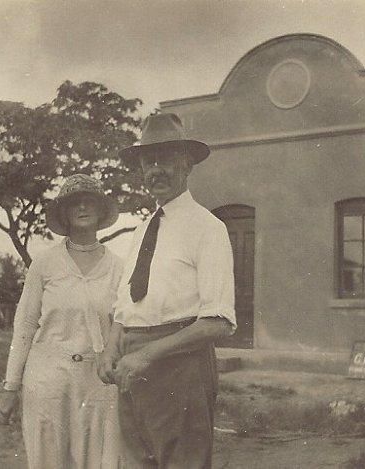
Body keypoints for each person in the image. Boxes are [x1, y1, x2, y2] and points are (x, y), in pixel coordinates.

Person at [98, 113, 236, 468]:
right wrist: (111, 347)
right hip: (130, 366)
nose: (155, 170)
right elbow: (125, 305)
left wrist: (147, 355)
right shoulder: (141, 230)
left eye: (166, 159)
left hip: (180, 365)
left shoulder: (209, 228)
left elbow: (217, 322)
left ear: (187, 164)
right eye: (148, 161)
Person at [0, 174, 124, 469]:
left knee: (100, 460)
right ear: (64, 214)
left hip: (99, 384)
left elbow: (124, 326)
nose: (82, 207)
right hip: (48, 381)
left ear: (101, 210)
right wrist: (10, 386)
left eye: (89, 200)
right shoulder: (45, 263)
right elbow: (25, 325)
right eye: (73, 203)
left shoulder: (119, 267)